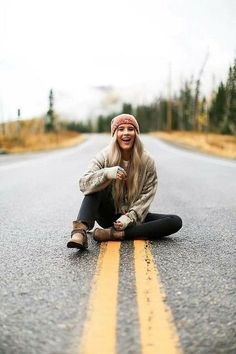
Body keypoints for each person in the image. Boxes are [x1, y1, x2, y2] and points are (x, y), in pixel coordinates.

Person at [67, 113, 182, 250]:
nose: (126, 133)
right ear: (115, 134)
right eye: (121, 129)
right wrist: (107, 174)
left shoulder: (147, 162)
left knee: (175, 221)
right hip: (107, 214)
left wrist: (129, 217)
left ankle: (113, 234)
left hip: (132, 217)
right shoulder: (104, 156)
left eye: (130, 129)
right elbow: (84, 184)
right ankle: (79, 233)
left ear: (136, 133)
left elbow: (146, 195)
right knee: (95, 187)